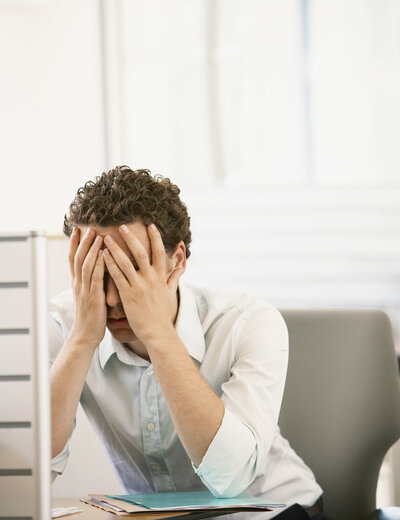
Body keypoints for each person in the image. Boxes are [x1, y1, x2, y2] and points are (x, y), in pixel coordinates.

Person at [50, 166, 326, 520]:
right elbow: (30, 472)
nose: (109, 298)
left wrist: (158, 334)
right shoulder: (64, 327)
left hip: (277, 513)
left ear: (176, 261)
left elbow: (230, 477)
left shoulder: (249, 322)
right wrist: (82, 339)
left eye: (129, 271)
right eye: (96, 272)